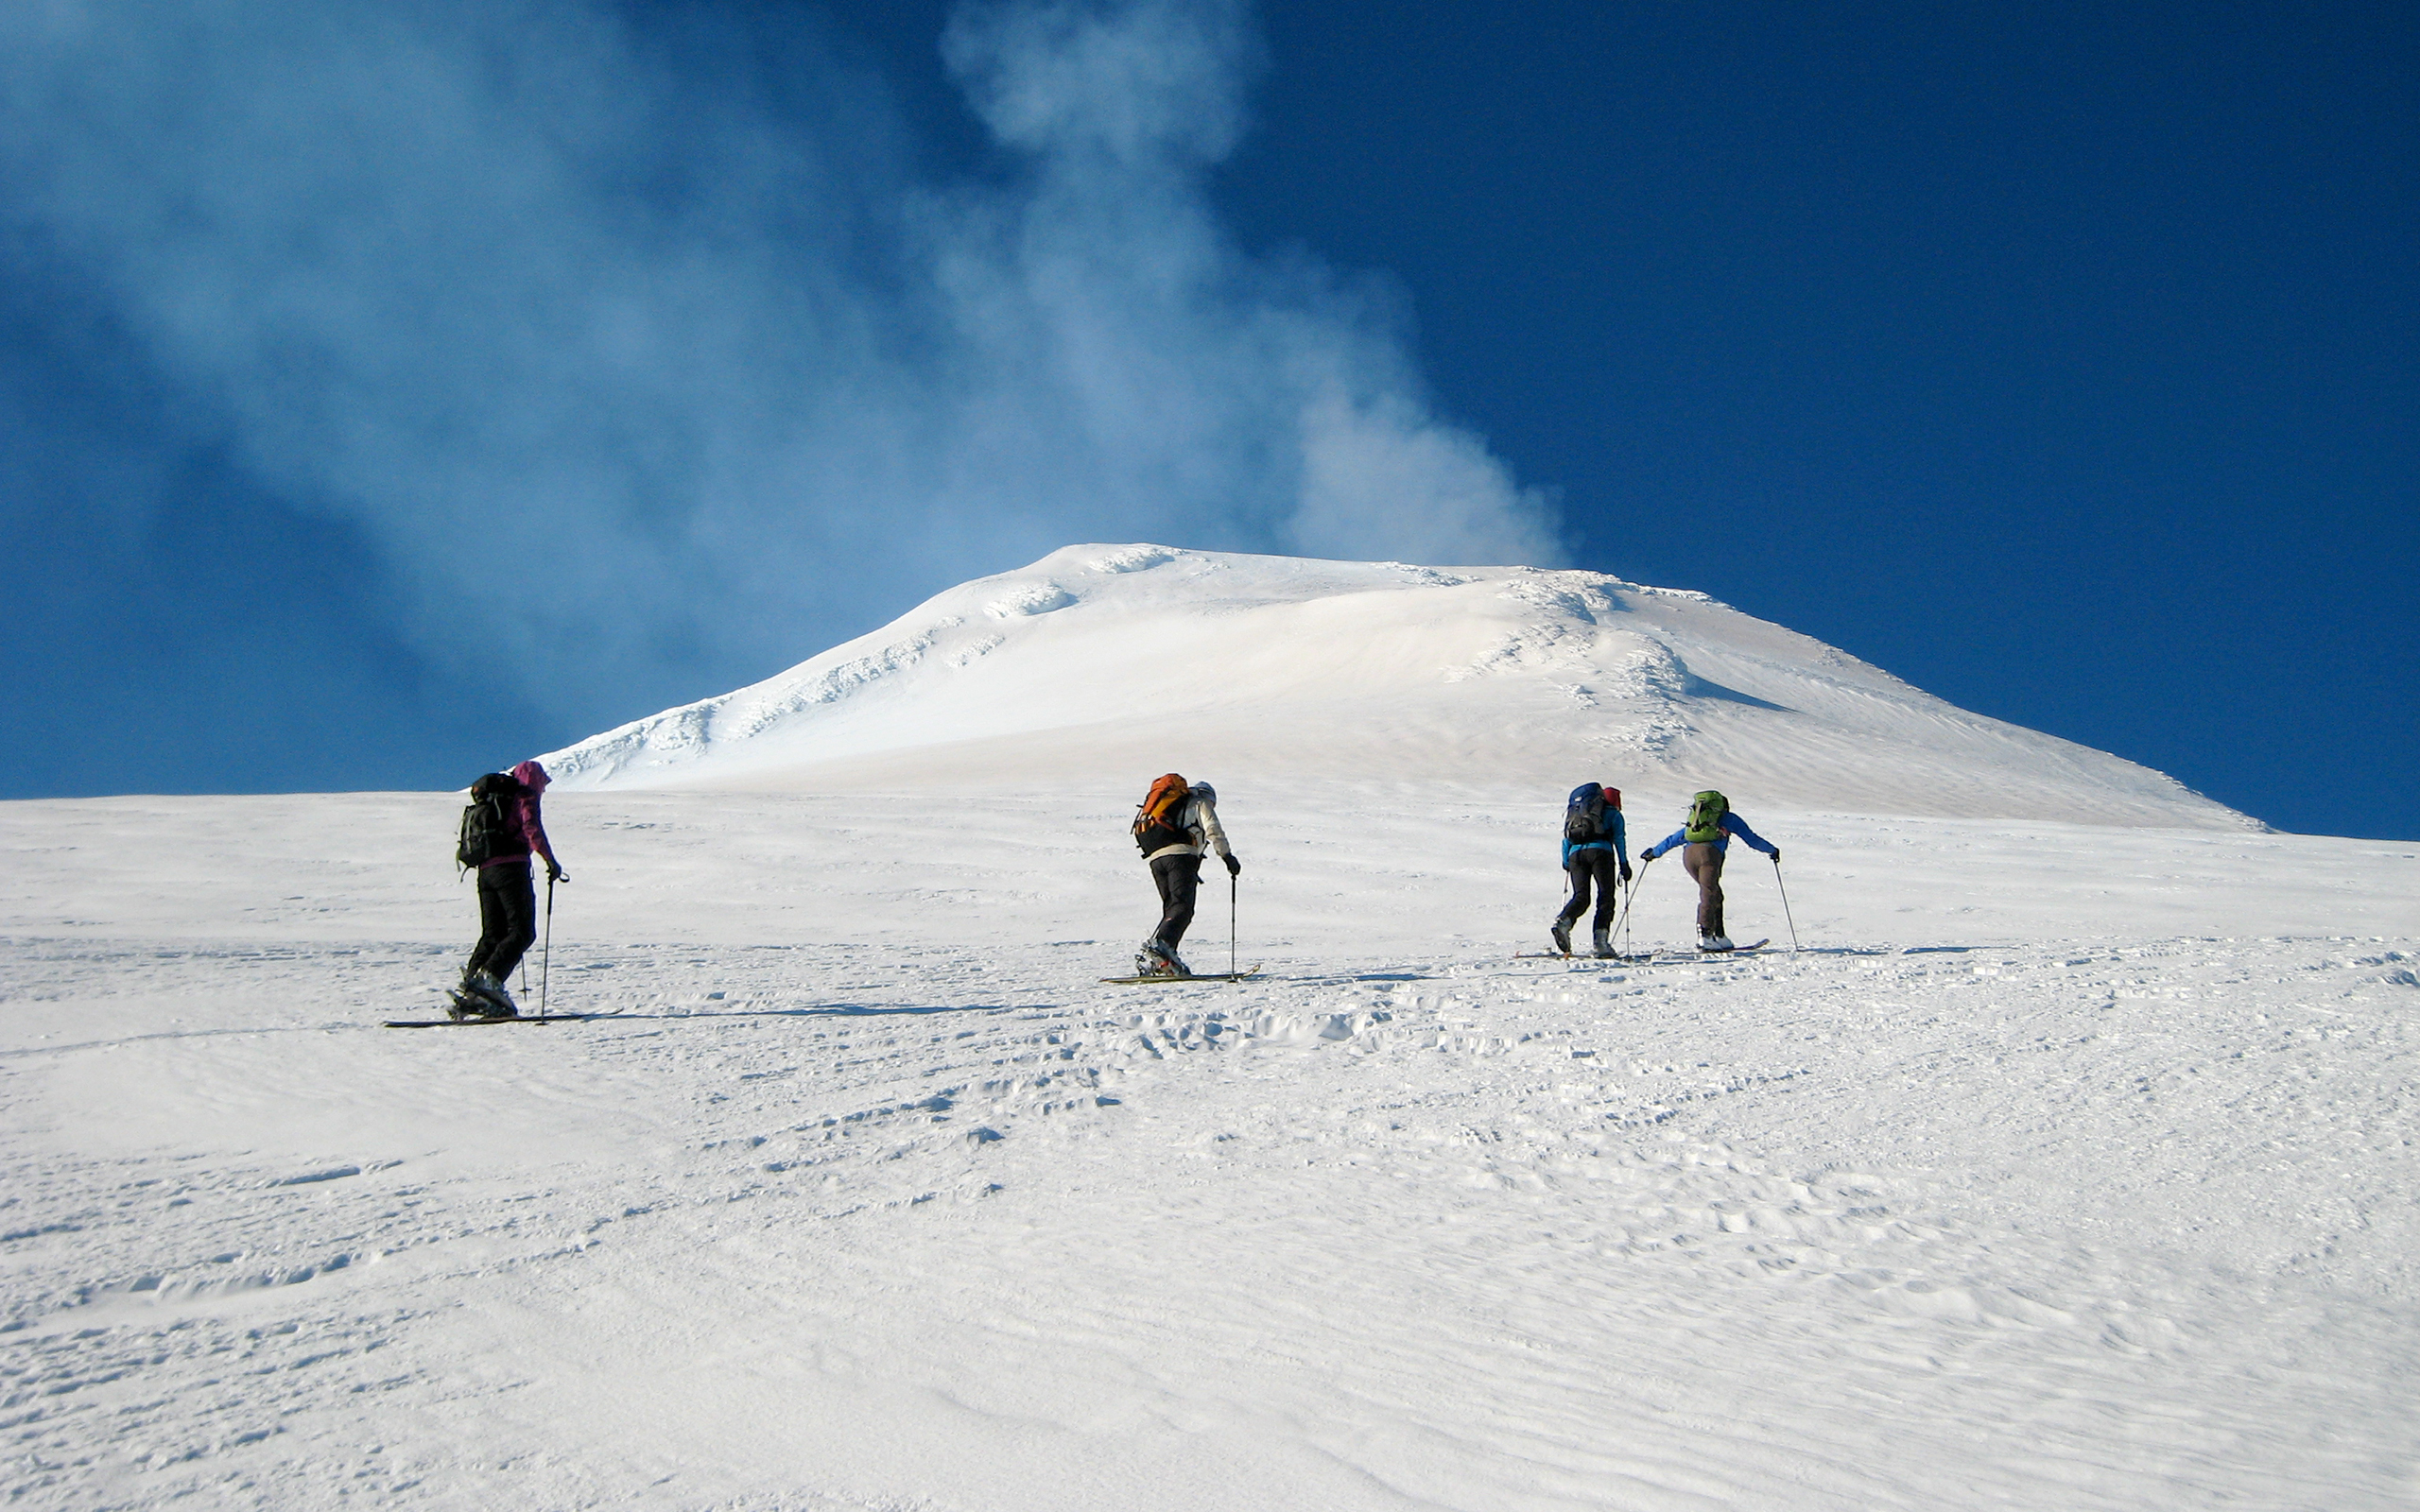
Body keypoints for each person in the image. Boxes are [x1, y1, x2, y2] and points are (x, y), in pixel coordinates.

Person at [457, 759, 567, 1017]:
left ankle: (472, 989)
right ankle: (488, 983)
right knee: (523, 932)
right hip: (511, 870)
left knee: (493, 933)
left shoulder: (494, 798)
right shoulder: (523, 795)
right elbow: (531, 827)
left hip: (485, 872)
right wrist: (550, 860)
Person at [1637, 790, 1777, 952]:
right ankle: (1705, 936)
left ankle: (1719, 936)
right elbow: (1751, 839)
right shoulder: (1728, 818)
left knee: (1715, 893)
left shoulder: (1697, 822)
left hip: (1689, 857)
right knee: (1709, 893)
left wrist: (1654, 853)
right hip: (1709, 856)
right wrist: (1771, 850)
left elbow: (1675, 838)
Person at [1134, 775, 1239, 978]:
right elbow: (1213, 829)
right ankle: (1162, 949)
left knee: (1172, 908)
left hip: (1156, 859)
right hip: (1181, 856)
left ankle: (1162, 961)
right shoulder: (1200, 802)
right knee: (1183, 907)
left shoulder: (1169, 806)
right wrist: (1227, 856)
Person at [1551, 782, 1631, 957]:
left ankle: (1563, 923)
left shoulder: (1578, 814)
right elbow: (1619, 839)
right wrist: (1624, 864)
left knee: (1581, 896)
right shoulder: (1612, 814)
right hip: (1600, 853)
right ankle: (1600, 944)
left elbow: (1566, 840)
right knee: (1605, 896)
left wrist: (1566, 863)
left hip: (1575, 856)